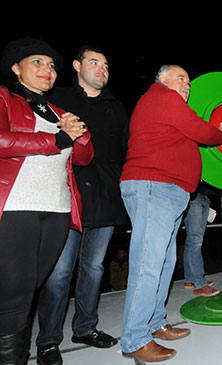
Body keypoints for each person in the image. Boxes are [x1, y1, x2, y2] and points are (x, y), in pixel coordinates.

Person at [119, 64, 222, 363]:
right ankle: (134, 337)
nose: (187, 85)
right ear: (162, 79)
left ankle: (155, 322)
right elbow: (202, 131)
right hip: (153, 185)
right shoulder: (163, 97)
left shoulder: (163, 104)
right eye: (181, 78)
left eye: (189, 82)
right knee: (148, 262)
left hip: (166, 189)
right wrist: (221, 133)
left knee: (164, 260)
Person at [0, 37, 93, 364]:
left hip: (57, 209)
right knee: (14, 294)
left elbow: (83, 157)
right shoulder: (4, 98)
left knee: (31, 289)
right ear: (16, 68)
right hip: (16, 208)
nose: (47, 69)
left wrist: (79, 132)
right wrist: (56, 138)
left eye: (51, 65)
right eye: (37, 62)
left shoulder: (58, 111)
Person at [35, 45, 129, 365]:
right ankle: (48, 340)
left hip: (105, 199)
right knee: (60, 273)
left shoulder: (116, 108)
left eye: (105, 64)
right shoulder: (57, 99)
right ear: (76, 65)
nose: (102, 68)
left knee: (93, 268)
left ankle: (85, 328)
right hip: (66, 198)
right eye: (94, 62)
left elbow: (128, 151)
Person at [182, 182, 220, 297]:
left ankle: (190, 279)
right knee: (195, 241)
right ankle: (199, 283)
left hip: (204, 197)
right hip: (193, 196)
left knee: (193, 241)